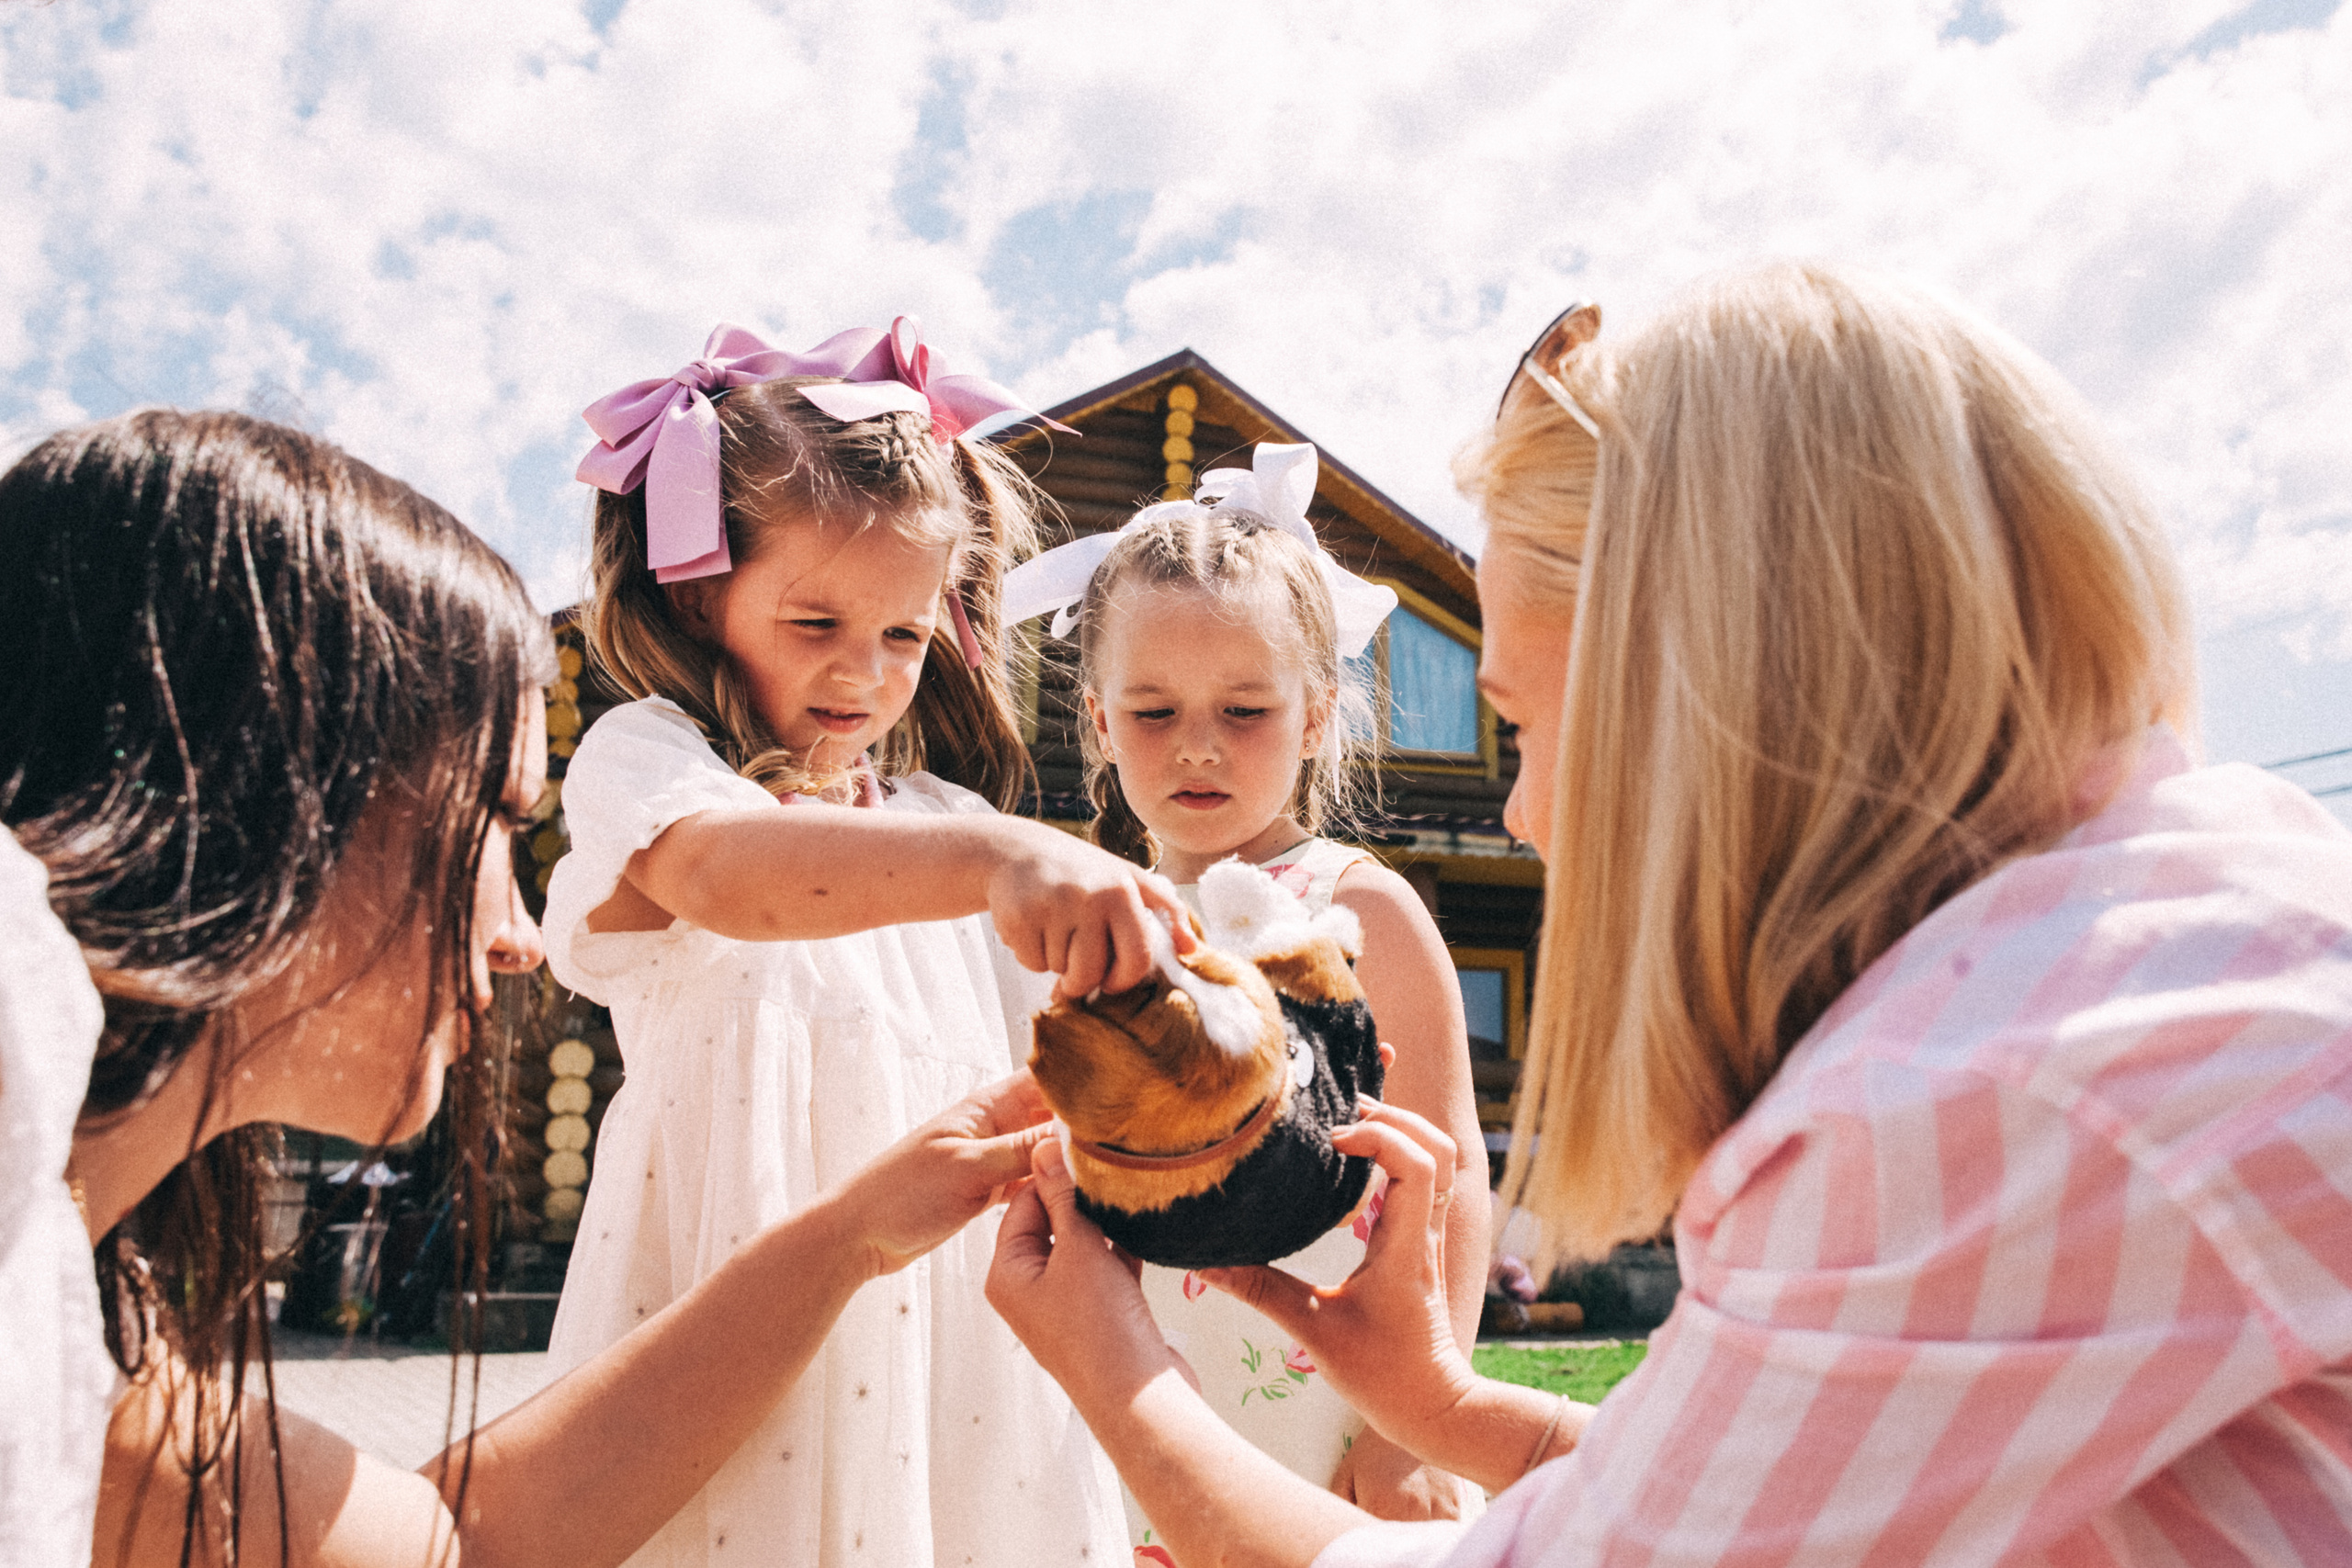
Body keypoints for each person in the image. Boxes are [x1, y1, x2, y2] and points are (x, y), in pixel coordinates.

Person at [986, 263, 2352, 1565]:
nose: (1517, 813)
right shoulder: (2150, 928)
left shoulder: (1996, 1091)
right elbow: (1770, 1481)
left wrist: (1119, 1375)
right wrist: (1445, 1404)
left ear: (1718, 692)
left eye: (1517, 721)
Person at [0, 408, 1067, 1568]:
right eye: (494, 826)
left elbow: (455, 1543)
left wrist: (855, 1232)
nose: (521, 938)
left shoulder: (76, 1343)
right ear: (255, 806)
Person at [541, 320, 1182, 1567]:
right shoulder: (657, 769)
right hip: (740, 1314)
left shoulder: (953, 826)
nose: (864, 671)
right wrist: (1006, 865)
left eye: (901, 633)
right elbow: (732, 875)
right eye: (816, 619)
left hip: (956, 1344)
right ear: (699, 588)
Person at [1000, 441, 1489, 1530]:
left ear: (1315, 715)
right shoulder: (1091, 917)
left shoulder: (1358, 910)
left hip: (1328, 1391)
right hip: (1128, 1390)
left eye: (1245, 711)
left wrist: (1417, 1424)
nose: (1198, 750)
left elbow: (1447, 1171)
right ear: (1097, 722)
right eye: (1155, 712)